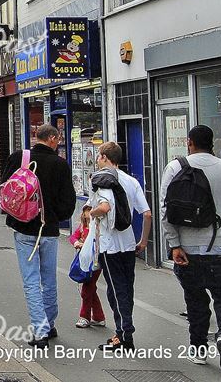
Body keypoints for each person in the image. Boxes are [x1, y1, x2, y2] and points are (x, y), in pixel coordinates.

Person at [161, 124, 221, 372]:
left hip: (188, 251)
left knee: (195, 301)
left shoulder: (175, 167)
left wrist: (174, 245)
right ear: (212, 143)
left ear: (189, 142)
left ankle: (198, 349)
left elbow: (166, 211)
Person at [0, 124, 77, 347]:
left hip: (24, 228)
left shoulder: (18, 158)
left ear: (37, 137)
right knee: (49, 279)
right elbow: (68, 201)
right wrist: (54, 216)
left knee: (31, 281)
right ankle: (49, 324)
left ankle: (40, 330)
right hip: (49, 229)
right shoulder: (60, 164)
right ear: (51, 138)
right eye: (58, 139)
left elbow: (4, 187)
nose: (58, 142)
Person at [88, 141, 152, 353]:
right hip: (128, 243)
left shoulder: (102, 180)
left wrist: (91, 213)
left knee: (115, 291)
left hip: (109, 244)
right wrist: (143, 241)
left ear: (106, 158)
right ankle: (124, 332)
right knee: (127, 289)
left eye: (99, 156)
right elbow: (147, 213)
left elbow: (101, 208)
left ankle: (124, 335)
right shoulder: (131, 181)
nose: (97, 160)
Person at [70, 204, 105, 329]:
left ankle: (84, 316)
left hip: (95, 260)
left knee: (87, 287)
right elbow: (73, 237)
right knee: (91, 288)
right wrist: (76, 243)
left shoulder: (98, 226)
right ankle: (99, 316)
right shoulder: (82, 227)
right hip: (85, 259)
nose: (89, 214)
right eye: (87, 211)